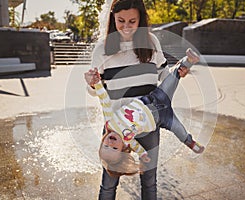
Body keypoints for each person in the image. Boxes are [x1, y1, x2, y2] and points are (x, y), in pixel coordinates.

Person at [84, 0, 190, 199]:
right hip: (116, 127)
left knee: (149, 182)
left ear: (141, 19)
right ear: (112, 19)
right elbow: (95, 90)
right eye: (120, 21)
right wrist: (91, 83)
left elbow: (164, 76)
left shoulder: (151, 43)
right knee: (108, 183)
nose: (126, 27)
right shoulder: (102, 49)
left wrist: (178, 74)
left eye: (132, 21)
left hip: (148, 124)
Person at [91, 48, 204, 177]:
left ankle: (188, 60)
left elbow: (104, 101)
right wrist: (143, 154)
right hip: (161, 118)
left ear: (102, 142)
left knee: (172, 79)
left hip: (153, 99)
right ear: (122, 148)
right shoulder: (127, 139)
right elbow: (136, 146)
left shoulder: (109, 121)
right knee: (178, 129)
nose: (111, 144)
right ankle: (190, 142)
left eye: (106, 146)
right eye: (114, 148)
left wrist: (98, 85)